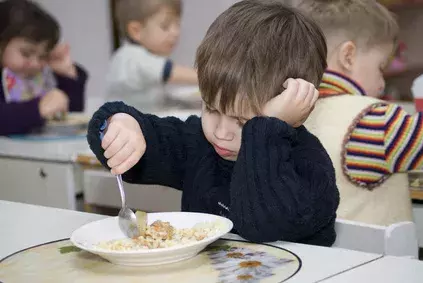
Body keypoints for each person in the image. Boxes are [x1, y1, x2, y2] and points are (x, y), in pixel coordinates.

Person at [87, 0, 339, 246]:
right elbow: (143, 144)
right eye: (211, 108)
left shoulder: (310, 166)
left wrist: (267, 131)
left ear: (293, 113)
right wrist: (119, 123)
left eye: (243, 122)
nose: (220, 132)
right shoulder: (198, 143)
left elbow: (261, 225)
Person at [295, 0, 414, 225]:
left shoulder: (287, 115)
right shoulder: (376, 121)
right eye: (380, 68)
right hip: (382, 259)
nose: (381, 84)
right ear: (348, 56)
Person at [0, 0, 88, 136]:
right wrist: (37, 109)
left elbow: (70, 117)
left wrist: (67, 75)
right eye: (26, 53)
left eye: (43, 56)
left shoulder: (40, 75)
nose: (35, 63)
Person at [107, 0, 198, 111]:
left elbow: (157, 100)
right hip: (124, 123)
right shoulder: (132, 57)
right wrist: (212, 77)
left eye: (177, 25)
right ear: (136, 30)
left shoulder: (138, 55)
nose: (175, 32)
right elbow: (170, 72)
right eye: (165, 26)